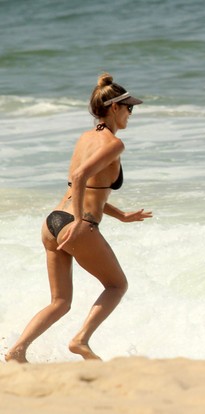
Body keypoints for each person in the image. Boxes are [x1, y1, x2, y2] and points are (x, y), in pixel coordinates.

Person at [5, 73, 151, 363]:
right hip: (76, 225)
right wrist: (83, 223)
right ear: (114, 108)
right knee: (117, 286)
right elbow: (79, 176)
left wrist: (120, 215)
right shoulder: (114, 144)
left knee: (60, 302)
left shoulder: (85, 138)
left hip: (53, 221)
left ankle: (17, 351)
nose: (131, 114)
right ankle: (80, 340)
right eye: (128, 108)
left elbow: (82, 188)